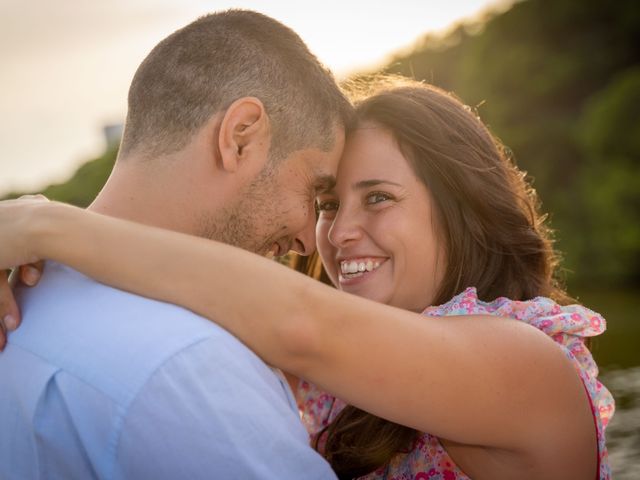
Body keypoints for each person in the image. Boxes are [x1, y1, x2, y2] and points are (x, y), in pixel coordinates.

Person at [0, 79, 614, 480]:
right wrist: (33, 265)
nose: (338, 232)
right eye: (326, 203)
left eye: (377, 198)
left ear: (463, 207)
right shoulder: (335, 386)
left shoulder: (526, 362)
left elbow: (300, 324)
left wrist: (48, 225)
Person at [0, 9, 353, 480]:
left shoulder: (24, 304)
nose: (309, 242)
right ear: (240, 137)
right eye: (315, 193)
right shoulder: (190, 364)